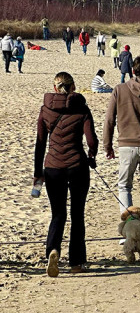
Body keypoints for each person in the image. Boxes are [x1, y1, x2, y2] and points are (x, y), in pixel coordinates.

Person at [34, 72, 98, 277]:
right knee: (77, 214)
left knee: (58, 213)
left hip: (52, 166)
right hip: (77, 165)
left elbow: (40, 144)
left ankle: (53, 250)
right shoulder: (82, 108)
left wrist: (38, 173)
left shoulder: (45, 110)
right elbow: (91, 141)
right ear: (73, 87)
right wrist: (92, 155)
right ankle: (76, 262)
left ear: (55, 88)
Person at [104, 54, 140, 248]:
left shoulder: (120, 89)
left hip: (127, 145)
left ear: (133, 71)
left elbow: (109, 120)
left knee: (125, 187)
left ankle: (129, 233)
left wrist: (107, 145)